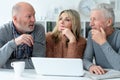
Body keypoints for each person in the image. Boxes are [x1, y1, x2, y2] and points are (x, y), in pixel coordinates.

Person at [0, 2, 46, 69]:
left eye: (34, 15)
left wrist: (5, 64)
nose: (34, 20)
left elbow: (38, 63)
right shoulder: (3, 31)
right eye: (29, 16)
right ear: (15, 19)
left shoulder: (39, 29)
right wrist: (14, 43)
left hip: (32, 75)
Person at [83, 3, 120, 75]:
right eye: (90, 19)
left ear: (108, 22)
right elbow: (86, 59)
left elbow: (119, 66)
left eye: (95, 19)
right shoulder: (92, 34)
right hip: (101, 76)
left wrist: (103, 42)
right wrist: (91, 66)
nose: (91, 24)